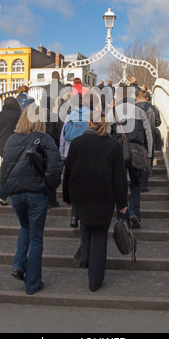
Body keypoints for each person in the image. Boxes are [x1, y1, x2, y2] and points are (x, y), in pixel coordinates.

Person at [1, 105, 63, 295]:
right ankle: (32, 283)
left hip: (16, 194)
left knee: (25, 227)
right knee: (36, 238)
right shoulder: (44, 139)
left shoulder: (11, 140)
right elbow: (55, 166)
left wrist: (5, 190)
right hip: (36, 192)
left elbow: (5, 168)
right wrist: (49, 186)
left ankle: (18, 265)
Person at [63, 112, 128, 292]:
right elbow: (120, 177)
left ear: (89, 123)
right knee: (99, 235)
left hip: (81, 196)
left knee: (86, 225)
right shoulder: (113, 145)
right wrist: (122, 202)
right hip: (104, 196)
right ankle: (95, 280)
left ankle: (84, 256)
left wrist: (67, 198)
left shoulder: (77, 143)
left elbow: (68, 172)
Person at [111, 84, 152, 229]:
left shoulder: (113, 111)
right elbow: (148, 134)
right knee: (135, 184)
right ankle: (134, 212)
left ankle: (122, 217)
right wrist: (149, 154)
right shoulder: (139, 111)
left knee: (118, 184)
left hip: (118, 152)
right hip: (136, 151)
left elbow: (108, 134)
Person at [59, 93, 91, 228]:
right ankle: (84, 214)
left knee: (73, 183)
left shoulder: (70, 115)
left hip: (70, 152)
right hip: (87, 153)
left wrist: (62, 153)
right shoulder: (92, 114)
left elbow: (63, 135)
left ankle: (73, 215)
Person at [0, 97, 22, 205]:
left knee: (9, 166)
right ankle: (2, 194)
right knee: (9, 169)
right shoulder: (17, 115)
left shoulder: (0, 115)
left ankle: (5, 193)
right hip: (11, 143)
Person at [136, 89, 161, 192]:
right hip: (150, 136)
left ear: (137, 98)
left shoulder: (134, 108)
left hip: (137, 136)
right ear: (147, 98)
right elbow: (158, 122)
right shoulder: (153, 108)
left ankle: (137, 179)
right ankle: (144, 183)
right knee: (148, 157)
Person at [40, 96, 63, 208]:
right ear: (53, 106)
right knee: (52, 174)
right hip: (52, 150)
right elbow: (59, 136)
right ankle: (52, 200)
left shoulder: (36, 117)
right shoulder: (56, 118)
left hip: (38, 150)